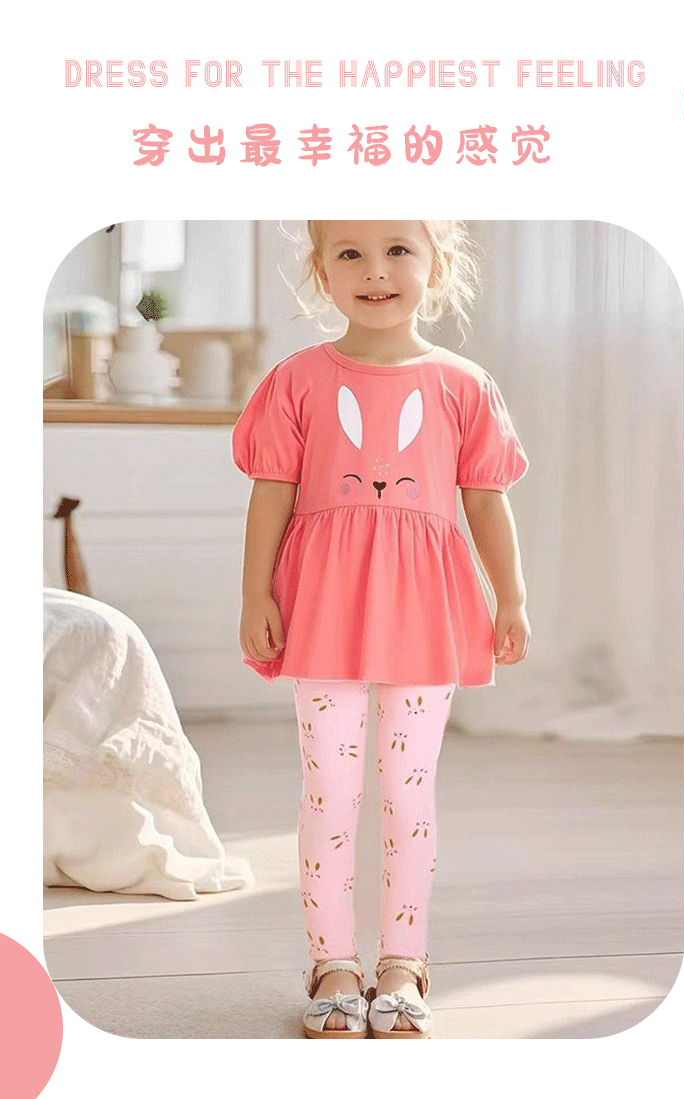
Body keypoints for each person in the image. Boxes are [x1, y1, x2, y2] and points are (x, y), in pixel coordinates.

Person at [232, 221, 530, 1038]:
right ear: (320, 269)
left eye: (399, 249)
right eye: (350, 253)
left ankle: (404, 959)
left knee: (408, 787)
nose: (375, 271)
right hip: (323, 604)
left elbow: (484, 499)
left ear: (438, 264)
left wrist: (510, 595)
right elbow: (271, 490)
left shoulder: (464, 385)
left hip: (425, 607)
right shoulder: (296, 380)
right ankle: (332, 961)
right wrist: (255, 593)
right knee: (329, 789)